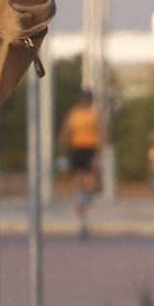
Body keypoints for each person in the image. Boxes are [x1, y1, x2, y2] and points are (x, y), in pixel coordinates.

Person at [57, 90, 102, 239]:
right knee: (80, 182)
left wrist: (97, 154)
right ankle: (82, 215)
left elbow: (101, 134)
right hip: (78, 148)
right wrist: (63, 150)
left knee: (89, 183)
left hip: (90, 148)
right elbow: (66, 131)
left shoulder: (93, 114)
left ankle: (84, 202)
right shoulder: (76, 114)